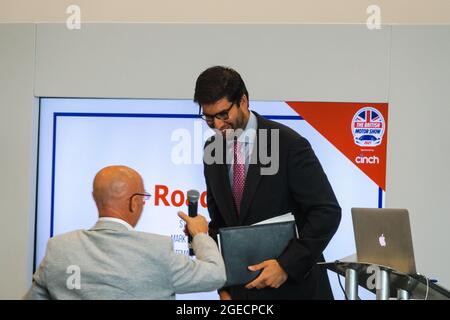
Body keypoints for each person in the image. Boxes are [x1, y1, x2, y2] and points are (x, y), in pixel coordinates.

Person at [194, 66, 341, 300]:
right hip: (241, 294)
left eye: (223, 114)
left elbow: (326, 212)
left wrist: (285, 266)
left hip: (295, 291)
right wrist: (224, 286)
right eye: (209, 118)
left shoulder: (289, 145)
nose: (218, 125)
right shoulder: (211, 150)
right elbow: (221, 224)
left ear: (243, 101)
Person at [24, 165, 226, 299]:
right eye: (144, 198)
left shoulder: (59, 248)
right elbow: (215, 275)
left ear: (95, 198)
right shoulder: (157, 250)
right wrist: (200, 234)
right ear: (134, 203)